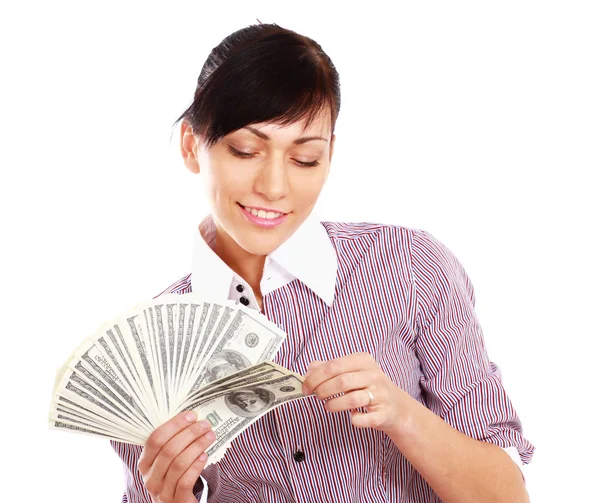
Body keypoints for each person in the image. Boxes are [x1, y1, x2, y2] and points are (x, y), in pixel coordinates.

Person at [112, 21, 535, 503]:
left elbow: (507, 496)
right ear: (192, 146)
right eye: (246, 151)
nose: (273, 187)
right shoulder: (149, 349)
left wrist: (401, 413)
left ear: (331, 154)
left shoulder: (411, 266)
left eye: (305, 159)